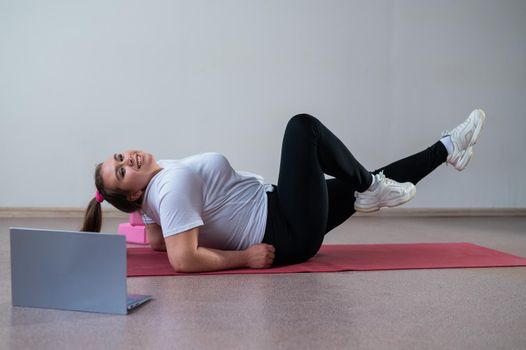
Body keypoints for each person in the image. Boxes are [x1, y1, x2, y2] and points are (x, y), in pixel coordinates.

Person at [81, 109, 486, 272]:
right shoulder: (168, 186)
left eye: (119, 156)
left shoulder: (156, 188)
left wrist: (161, 225)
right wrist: (243, 258)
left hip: (284, 211)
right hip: (283, 226)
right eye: (120, 171)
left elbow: (157, 241)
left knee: (367, 178)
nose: (126, 160)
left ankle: (448, 148)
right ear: (131, 195)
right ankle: (372, 186)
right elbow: (182, 259)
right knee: (302, 127)